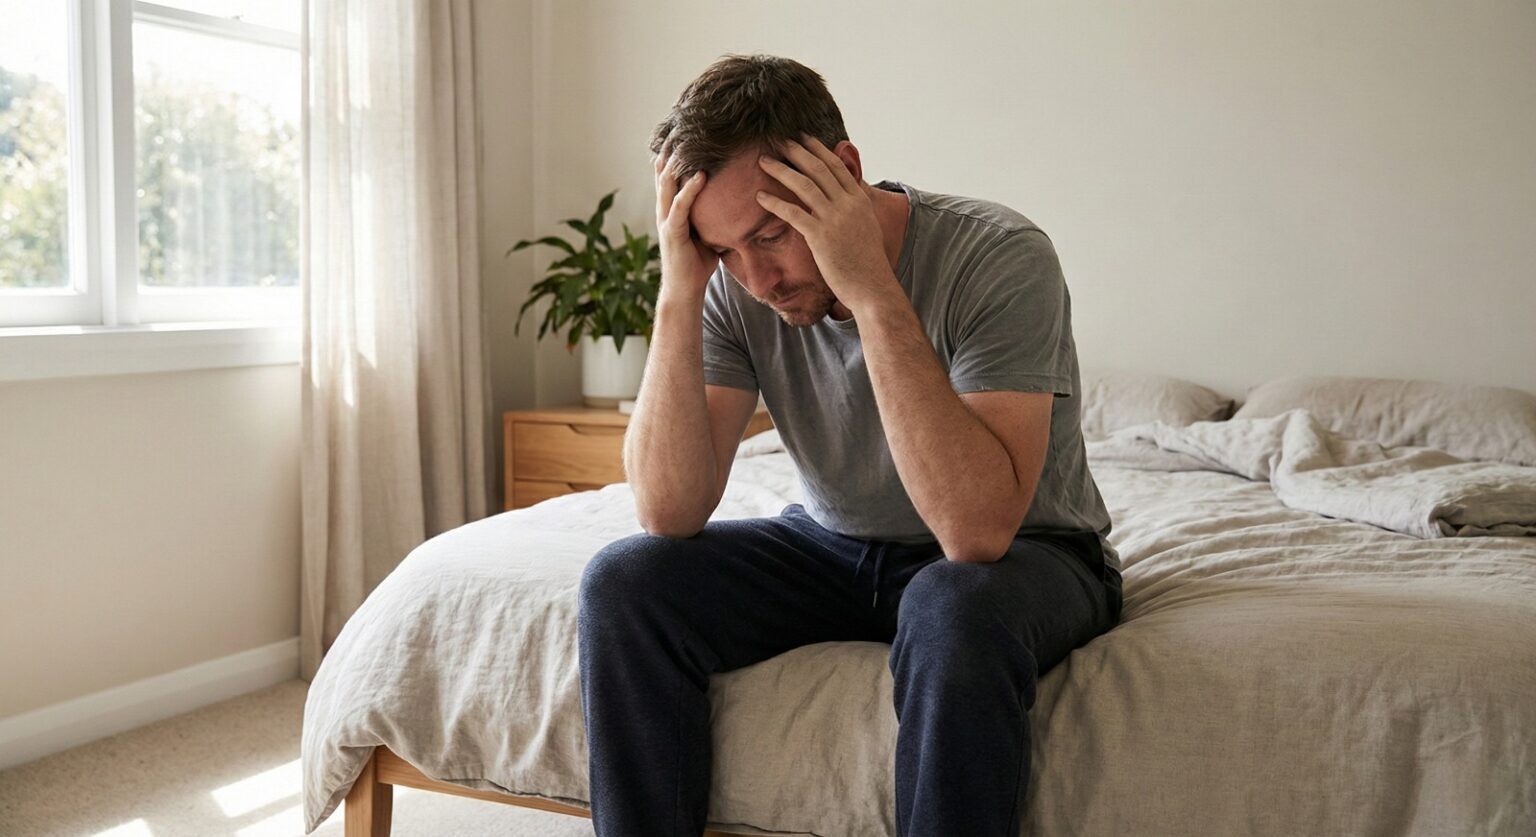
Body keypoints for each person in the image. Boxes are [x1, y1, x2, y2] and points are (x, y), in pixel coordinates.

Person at [577, 53, 1122, 837]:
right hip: (835, 546)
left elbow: (977, 531)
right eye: (723, 248)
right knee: (627, 581)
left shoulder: (999, 255)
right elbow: (669, 509)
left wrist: (870, 289)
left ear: (844, 173)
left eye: (771, 233)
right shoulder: (732, 285)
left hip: (1026, 553)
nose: (757, 276)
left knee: (949, 604)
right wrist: (681, 286)